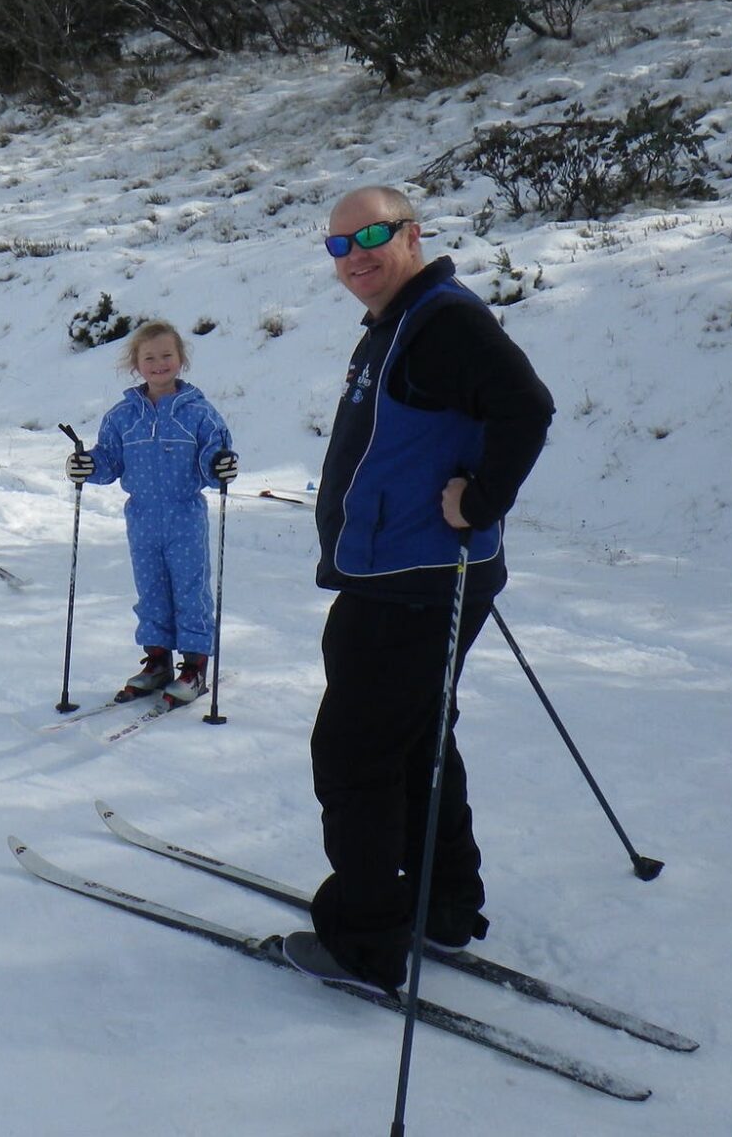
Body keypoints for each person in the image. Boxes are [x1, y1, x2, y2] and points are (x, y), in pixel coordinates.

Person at [290, 184, 554, 994]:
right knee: (414, 739)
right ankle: (441, 904)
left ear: (412, 233)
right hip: (404, 573)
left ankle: (364, 938)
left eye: (371, 234)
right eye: (339, 245)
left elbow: (526, 407)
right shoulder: (401, 321)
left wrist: (480, 501)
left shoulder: (442, 320)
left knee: (356, 754)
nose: (356, 255)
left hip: (415, 581)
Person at [66, 320, 238, 707]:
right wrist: (85, 466)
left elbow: (214, 457)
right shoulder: (122, 416)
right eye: (149, 358)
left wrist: (221, 465)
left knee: (190, 590)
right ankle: (158, 659)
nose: (159, 364)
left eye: (167, 356)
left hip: (184, 515)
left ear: (181, 360)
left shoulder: (199, 414)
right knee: (152, 590)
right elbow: (108, 460)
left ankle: (193, 666)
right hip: (141, 517)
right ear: (136, 365)